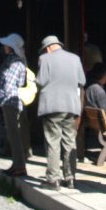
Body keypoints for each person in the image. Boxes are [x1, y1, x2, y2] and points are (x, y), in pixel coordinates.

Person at [36, 35, 85, 191]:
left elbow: (40, 81)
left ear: (48, 47)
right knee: (69, 141)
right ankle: (70, 178)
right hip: (71, 105)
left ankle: (53, 179)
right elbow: (82, 81)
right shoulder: (75, 59)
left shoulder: (44, 59)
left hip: (52, 105)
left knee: (53, 142)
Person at [0, 33, 28, 176]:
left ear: (11, 47)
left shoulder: (14, 63)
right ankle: (17, 164)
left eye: (6, 44)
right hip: (10, 99)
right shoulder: (15, 61)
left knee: (13, 134)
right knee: (12, 134)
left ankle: (19, 165)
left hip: (10, 100)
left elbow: (9, 85)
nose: (4, 46)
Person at [84, 62, 106, 133]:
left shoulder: (88, 87)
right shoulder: (98, 90)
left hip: (94, 124)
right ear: (102, 75)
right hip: (103, 125)